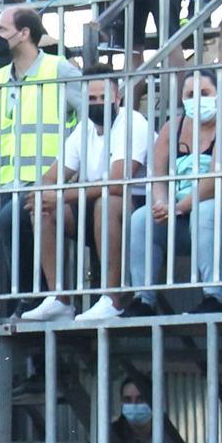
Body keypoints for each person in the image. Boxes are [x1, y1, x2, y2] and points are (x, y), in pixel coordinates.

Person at [24, 68, 151, 322]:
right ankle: (59, 298)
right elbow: (51, 177)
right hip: (93, 205)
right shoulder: (85, 128)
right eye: (91, 99)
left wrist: (61, 195)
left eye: (102, 97)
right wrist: (45, 193)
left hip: (137, 207)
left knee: (107, 202)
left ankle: (112, 300)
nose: (97, 103)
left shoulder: (133, 121)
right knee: (43, 205)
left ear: (117, 97)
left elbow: (118, 182)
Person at [0, 6, 85, 301]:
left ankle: (34, 301)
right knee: (10, 236)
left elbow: (89, 119)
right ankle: (28, 304)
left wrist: (71, 171)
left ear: (24, 33)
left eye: (2, 29)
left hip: (44, 182)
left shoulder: (59, 69)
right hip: (4, 184)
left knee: (14, 225)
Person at [121, 70, 222, 317]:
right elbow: (156, 174)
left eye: (204, 93)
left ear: (219, 95)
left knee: (206, 211)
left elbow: (220, 176)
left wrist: (179, 207)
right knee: (142, 219)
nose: (197, 99)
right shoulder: (171, 127)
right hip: (177, 209)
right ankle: (143, 298)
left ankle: (215, 295)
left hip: (218, 203)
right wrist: (162, 203)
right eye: (190, 94)